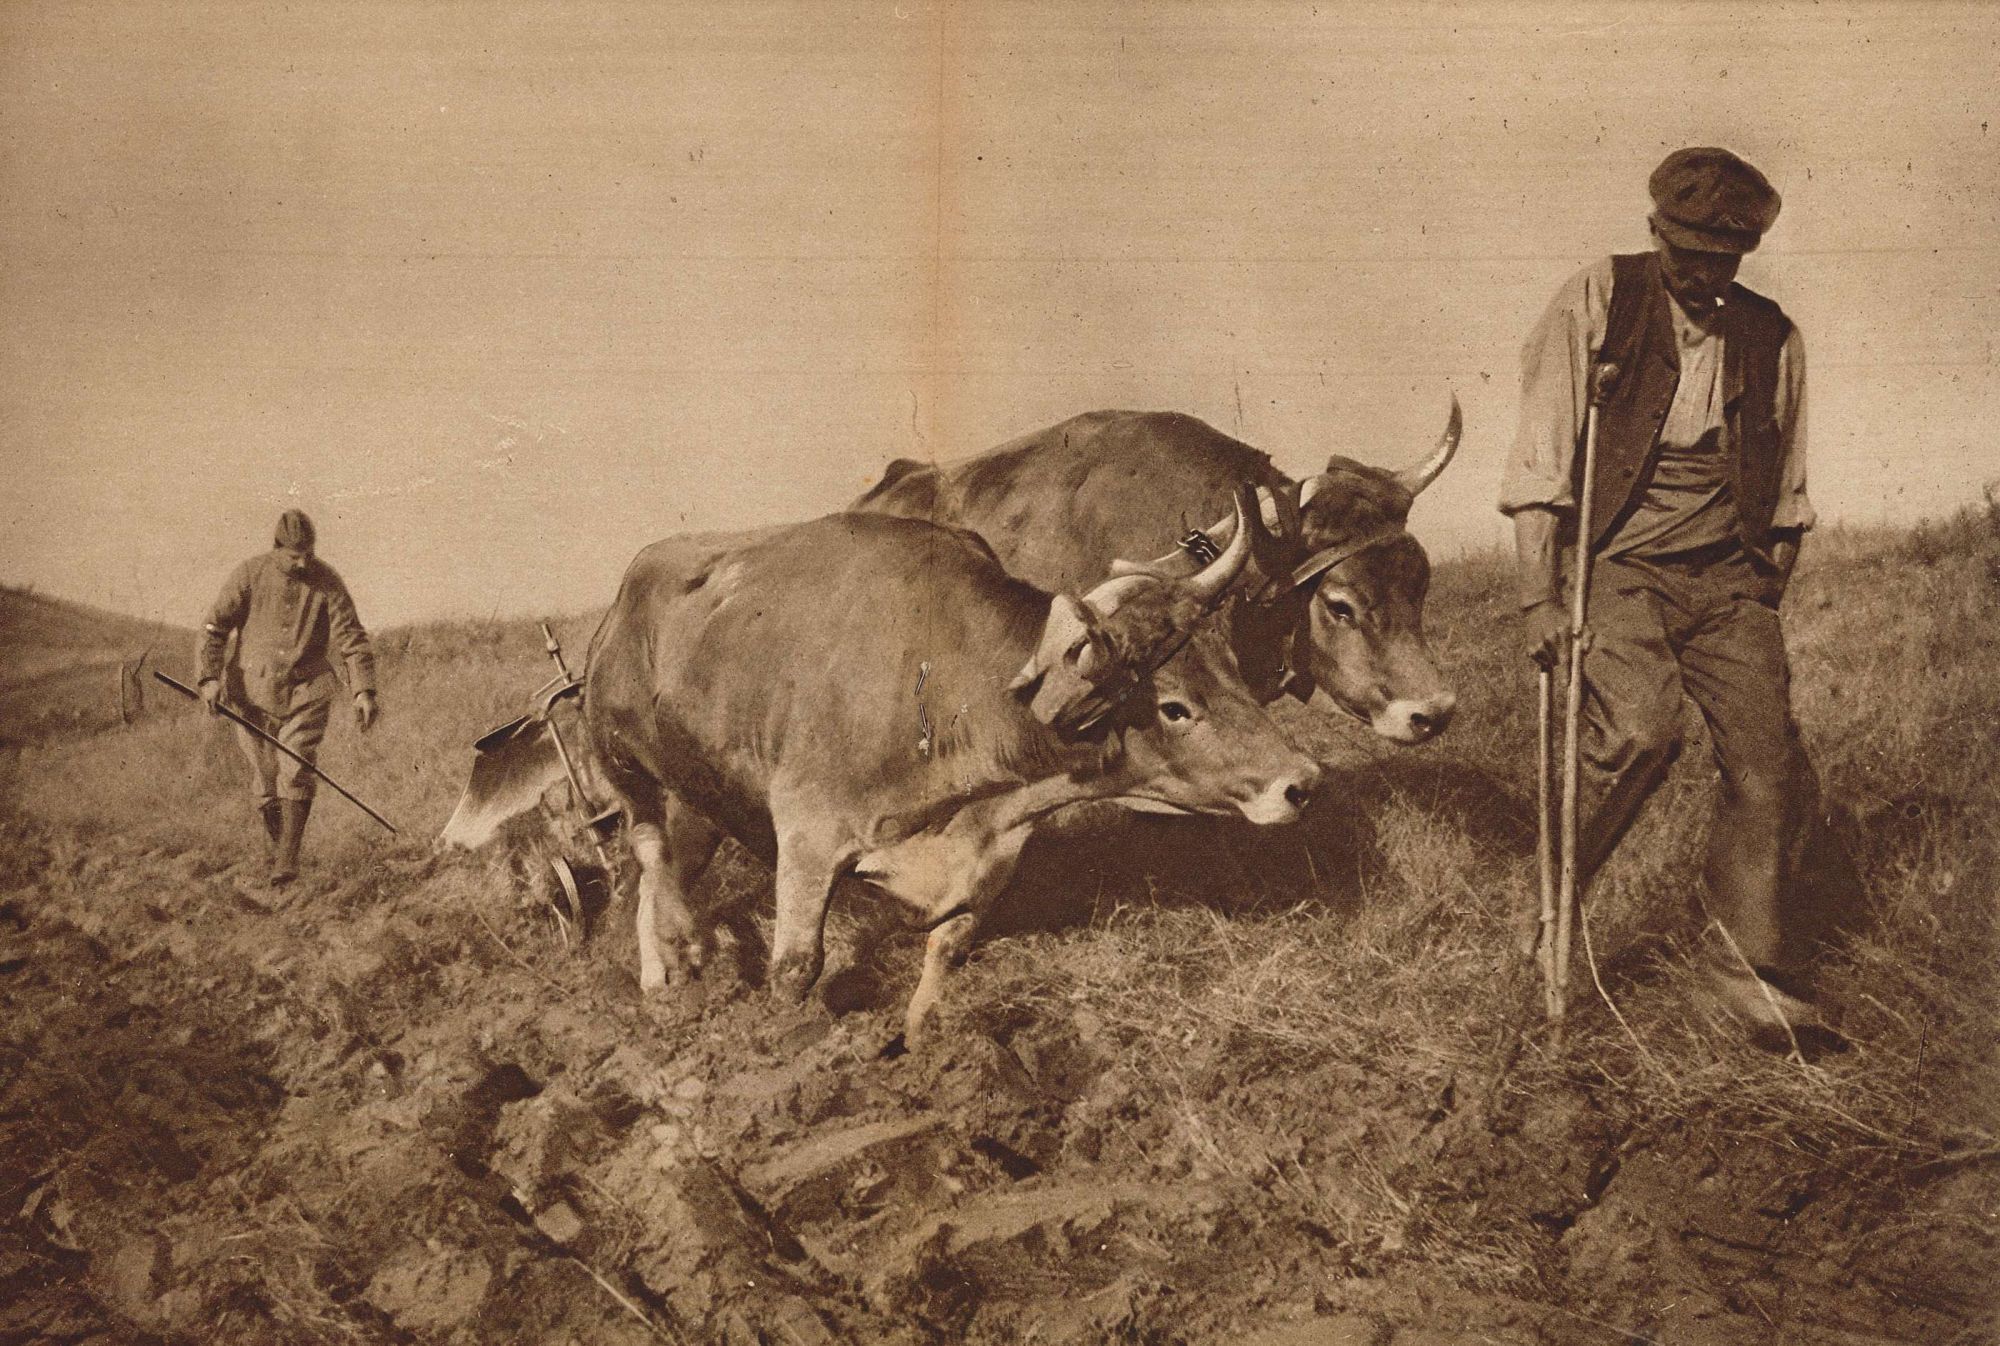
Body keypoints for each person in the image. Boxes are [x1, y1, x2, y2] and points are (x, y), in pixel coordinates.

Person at [1500, 146, 1844, 1049]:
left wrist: (1764, 590)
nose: (1703, 277)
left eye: (1723, 261)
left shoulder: (1774, 336)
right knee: (1642, 736)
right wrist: (1540, 594)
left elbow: (1787, 488)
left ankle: (1743, 971)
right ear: (1656, 233)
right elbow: (1542, 458)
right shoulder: (1598, 300)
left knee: (1768, 767)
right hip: (1617, 563)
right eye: (1687, 254)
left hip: (1728, 577)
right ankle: (1552, 908)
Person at [196, 509, 379, 883]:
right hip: (250, 694)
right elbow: (214, 628)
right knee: (265, 783)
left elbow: (352, 638)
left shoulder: (328, 582)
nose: (303, 562)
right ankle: (283, 850)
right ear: (276, 548)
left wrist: (363, 689)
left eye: (308, 554)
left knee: (296, 768)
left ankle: (287, 862)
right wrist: (208, 679)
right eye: (294, 555)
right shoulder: (248, 575)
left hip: (306, 692)